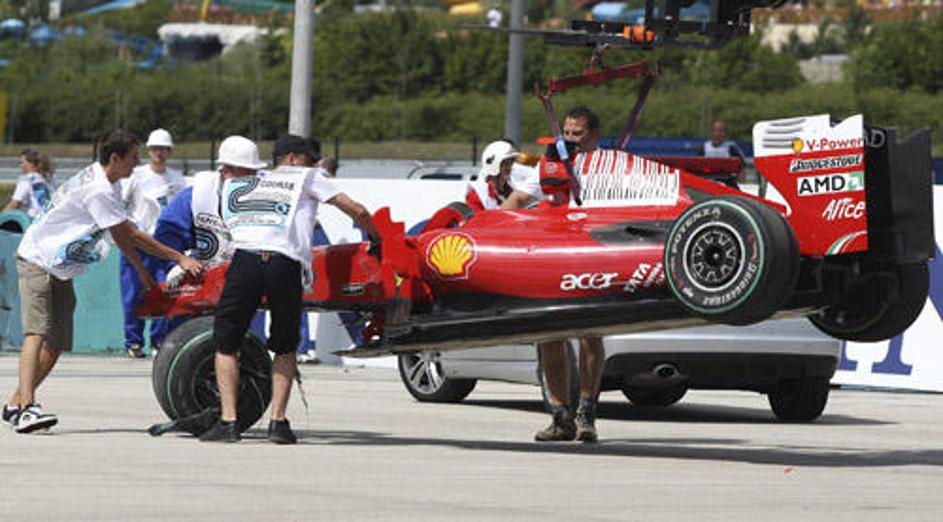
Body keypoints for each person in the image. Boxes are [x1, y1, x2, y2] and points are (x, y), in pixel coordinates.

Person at [1, 129, 202, 434]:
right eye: (133, 157)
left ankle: (15, 403)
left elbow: (120, 235)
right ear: (115, 158)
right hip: (37, 259)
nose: (138, 162)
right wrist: (179, 258)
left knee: (56, 343)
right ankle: (27, 408)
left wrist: (143, 273)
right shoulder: (98, 189)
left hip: (60, 266)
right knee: (36, 332)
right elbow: (133, 234)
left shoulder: (107, 183)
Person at [199, 134, 379, 444]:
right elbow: (357, 210)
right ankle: (278, 423)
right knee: (285, 345)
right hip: (284, 263)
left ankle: (228, 422)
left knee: (226, 343)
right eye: (311, 159)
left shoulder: (245, 182)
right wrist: (377, 238)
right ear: (294, 158)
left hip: (245, 260)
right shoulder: (308, 177)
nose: (315, 165)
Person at [501, 105, 607, 443]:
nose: (571, 139)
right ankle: (561, 417)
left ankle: (587, 414)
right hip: (555, 253)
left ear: (594, 135)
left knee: (590, 334)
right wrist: (486, 226)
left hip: (592, 253)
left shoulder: (608, 165)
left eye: (579, 134)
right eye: (567, 133)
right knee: (549, 334)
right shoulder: (551, 162)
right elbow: (519, 198)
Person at [119, 128, 187, 358]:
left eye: (164, 149)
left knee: (165, 291)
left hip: (165, 244)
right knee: (133, 293)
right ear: (149, 150)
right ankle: (133, 341)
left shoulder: (178, 179)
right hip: (138, 241)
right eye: (156, 148)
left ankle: (159, 340)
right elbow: (120, 204)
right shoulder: (135, 176)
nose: (160, 153)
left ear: (170, 151)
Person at [3, 148, 57, 219]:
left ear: (31, 164)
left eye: (22, 163)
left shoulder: (27, 179)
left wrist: (1, 216)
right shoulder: (50, 177)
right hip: (49, 218)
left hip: (32, 220)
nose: (21, 166)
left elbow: (15, 203)